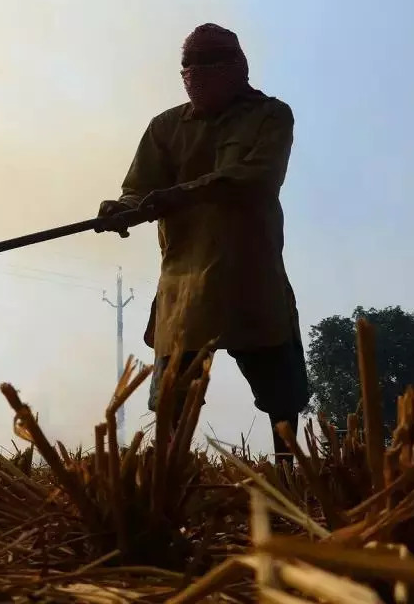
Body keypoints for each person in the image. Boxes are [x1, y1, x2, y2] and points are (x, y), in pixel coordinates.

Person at [95, 23, 308, 465]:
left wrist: (180, 194)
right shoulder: (166, 127)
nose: (197, 73)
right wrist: (123, 209)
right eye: (188, 66)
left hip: (251, 274)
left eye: (210, 63)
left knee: (281, 397)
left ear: (238, 66)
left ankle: (292, 482)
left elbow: (256, 177)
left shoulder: (270, 116)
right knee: (173, 400)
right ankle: (167, 481)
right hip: (185, 282)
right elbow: (140, 188)